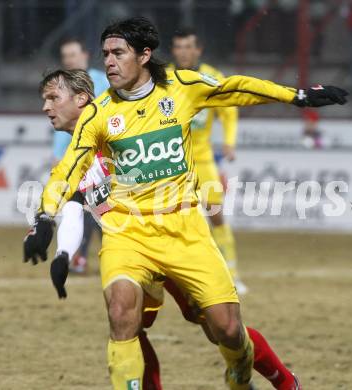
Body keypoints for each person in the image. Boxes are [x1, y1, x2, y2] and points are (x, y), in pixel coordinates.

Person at [24, 17, 347, 390]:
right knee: (122, 317)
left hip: (185, 230)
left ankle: (246, 374)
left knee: (225, 329)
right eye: (105, 55)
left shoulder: (181, 87)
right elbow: (67, 171)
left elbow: (235, 88)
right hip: (128, 235)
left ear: (144, 55)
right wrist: (44, 219)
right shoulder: (98, 114)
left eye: (118, 53)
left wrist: (298, 96)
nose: (109, 62)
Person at [41, 68, 302, 390]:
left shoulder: (116, 131)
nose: (46, 107)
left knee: (221, 328)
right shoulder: (75, 158)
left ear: (82, 100)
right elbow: (73, 205)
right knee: (128, 325)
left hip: (175, 237)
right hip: (133, 248)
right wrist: (63, 253)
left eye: (53, 98)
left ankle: (283, 381)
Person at [170, 27, 246, 295]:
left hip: (202, 159)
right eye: (178, 47)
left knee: (216, 215)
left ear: (198, 49)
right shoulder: (164, 77)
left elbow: (229, 112)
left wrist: (229, 141)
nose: (183, 52)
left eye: (188, 46)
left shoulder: (212, 77)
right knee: (169, 219)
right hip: (170, 162)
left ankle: (232, 273)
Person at [53, 38, 110, 273]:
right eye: (65, 56)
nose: (69, 60)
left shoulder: (104, 81)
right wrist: (58, 156)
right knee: (88, 203)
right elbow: (62, 128)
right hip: (81, 156)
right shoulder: (61, 89)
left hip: (106, 153)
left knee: (101, 206)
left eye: (73, 54)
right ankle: (82, 256)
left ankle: (88, 255)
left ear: (85, 55)